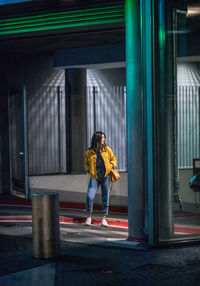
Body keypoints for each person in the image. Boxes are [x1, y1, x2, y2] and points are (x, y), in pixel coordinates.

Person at [84, 131, 117, 227]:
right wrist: (88, 170)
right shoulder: (89, 152)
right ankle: (89, 217)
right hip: (95, 176)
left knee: (105, 197)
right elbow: (86, 163)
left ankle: (104, 219)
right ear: (97, 139)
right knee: (89, 196)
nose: (104, 139)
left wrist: (111, 165)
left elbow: (114, 159)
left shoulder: (107, 150)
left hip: (105, 176)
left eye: (104, 137)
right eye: (102, 137)